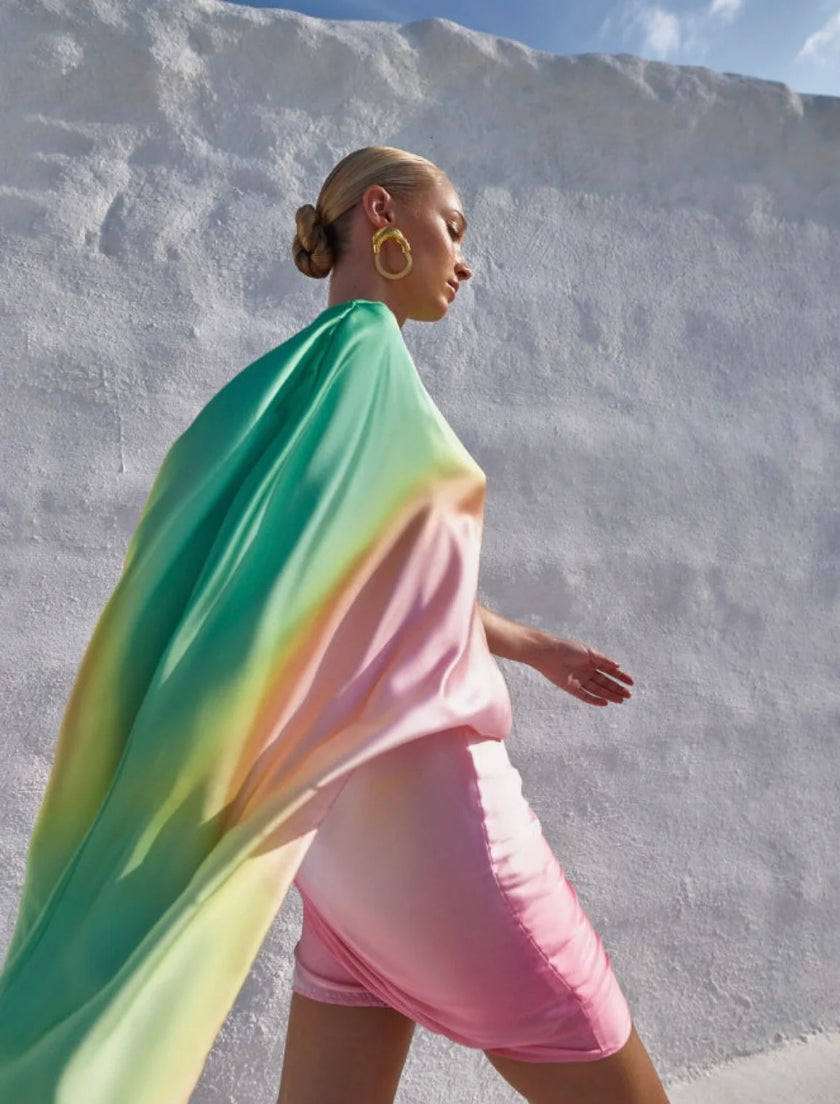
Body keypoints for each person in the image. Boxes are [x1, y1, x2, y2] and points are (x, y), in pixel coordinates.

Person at [277, 146, 671, 1104]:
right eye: (452, 227)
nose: (464, 258)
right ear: (382, 213)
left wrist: (534, 647)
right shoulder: (371, 368)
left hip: (341, 850)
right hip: (447, 833)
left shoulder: (295, 386)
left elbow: (376, 585)